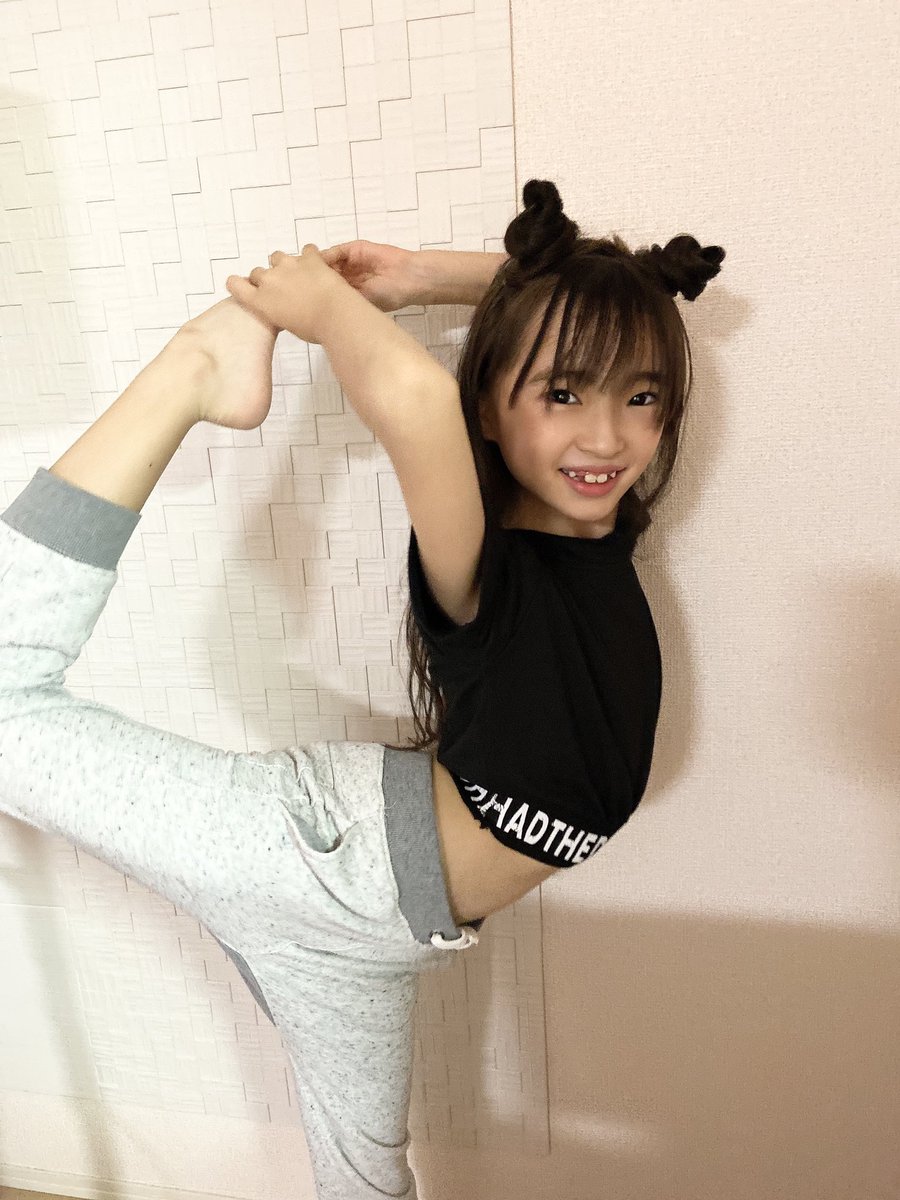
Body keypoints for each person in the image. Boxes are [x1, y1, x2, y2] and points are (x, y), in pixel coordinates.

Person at [0, 178, 724, 1199]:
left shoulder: (593, 537)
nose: (606, 439)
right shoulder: (491, 569)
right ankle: (192, 368)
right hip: (313, 857)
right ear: (490, 406)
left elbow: (605, 311)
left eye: (641, 399)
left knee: (365, 1178)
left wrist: (424, 276)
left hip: (381, 942)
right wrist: (324, 307)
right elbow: (419, 402)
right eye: (563, 395)